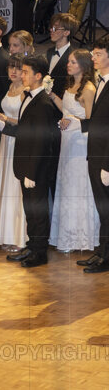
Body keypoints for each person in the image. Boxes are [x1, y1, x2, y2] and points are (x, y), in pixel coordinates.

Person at [5, 56, 61, 268]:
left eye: (26, 72)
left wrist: (32, 172)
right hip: (26, 165)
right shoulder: (29, 97)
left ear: (38, 76)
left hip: (36, 168)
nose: (22, 75)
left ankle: (39, 252)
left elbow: (41, 141)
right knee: (30, 210)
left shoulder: (44, 103)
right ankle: (32, 245)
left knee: (38, 211)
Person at [51, 49, 100, 253]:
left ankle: (81, 239)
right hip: (67, 142)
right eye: (69, 61)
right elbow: (66, 110)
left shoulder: (88, 89)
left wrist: (72, 121)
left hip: (80, 144)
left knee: (78, 188)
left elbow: (91, 121)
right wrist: (52, 96)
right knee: (66, 186)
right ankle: (67, 237)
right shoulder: (71, 84)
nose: (68, 65)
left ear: (83, 65)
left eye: (73, 62)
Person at [0, 55, 28, 252]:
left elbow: (27, 122)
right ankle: (3, 233)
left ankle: (18, 236)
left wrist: (6, 119)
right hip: (6, 141)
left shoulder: (26, 91)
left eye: (18, 68)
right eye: (11, 67)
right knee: (3, 184)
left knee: (14, 186)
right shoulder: (9, 87)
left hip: (19, 141)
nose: (14, 71)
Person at [80, 36, 109, 273]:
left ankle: (106, 257)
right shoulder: (101, 82)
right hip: (96, 155)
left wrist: (107, 165)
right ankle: (101, 251)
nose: (93, 58)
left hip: (105, 159)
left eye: (98, 54)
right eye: (93, 54)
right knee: (102, 209)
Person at [46, 12, 79, 99]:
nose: (51, 30)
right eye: (51, 27)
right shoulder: (49, 52)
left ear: (66, 32)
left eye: (55, 28)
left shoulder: (73, 57)